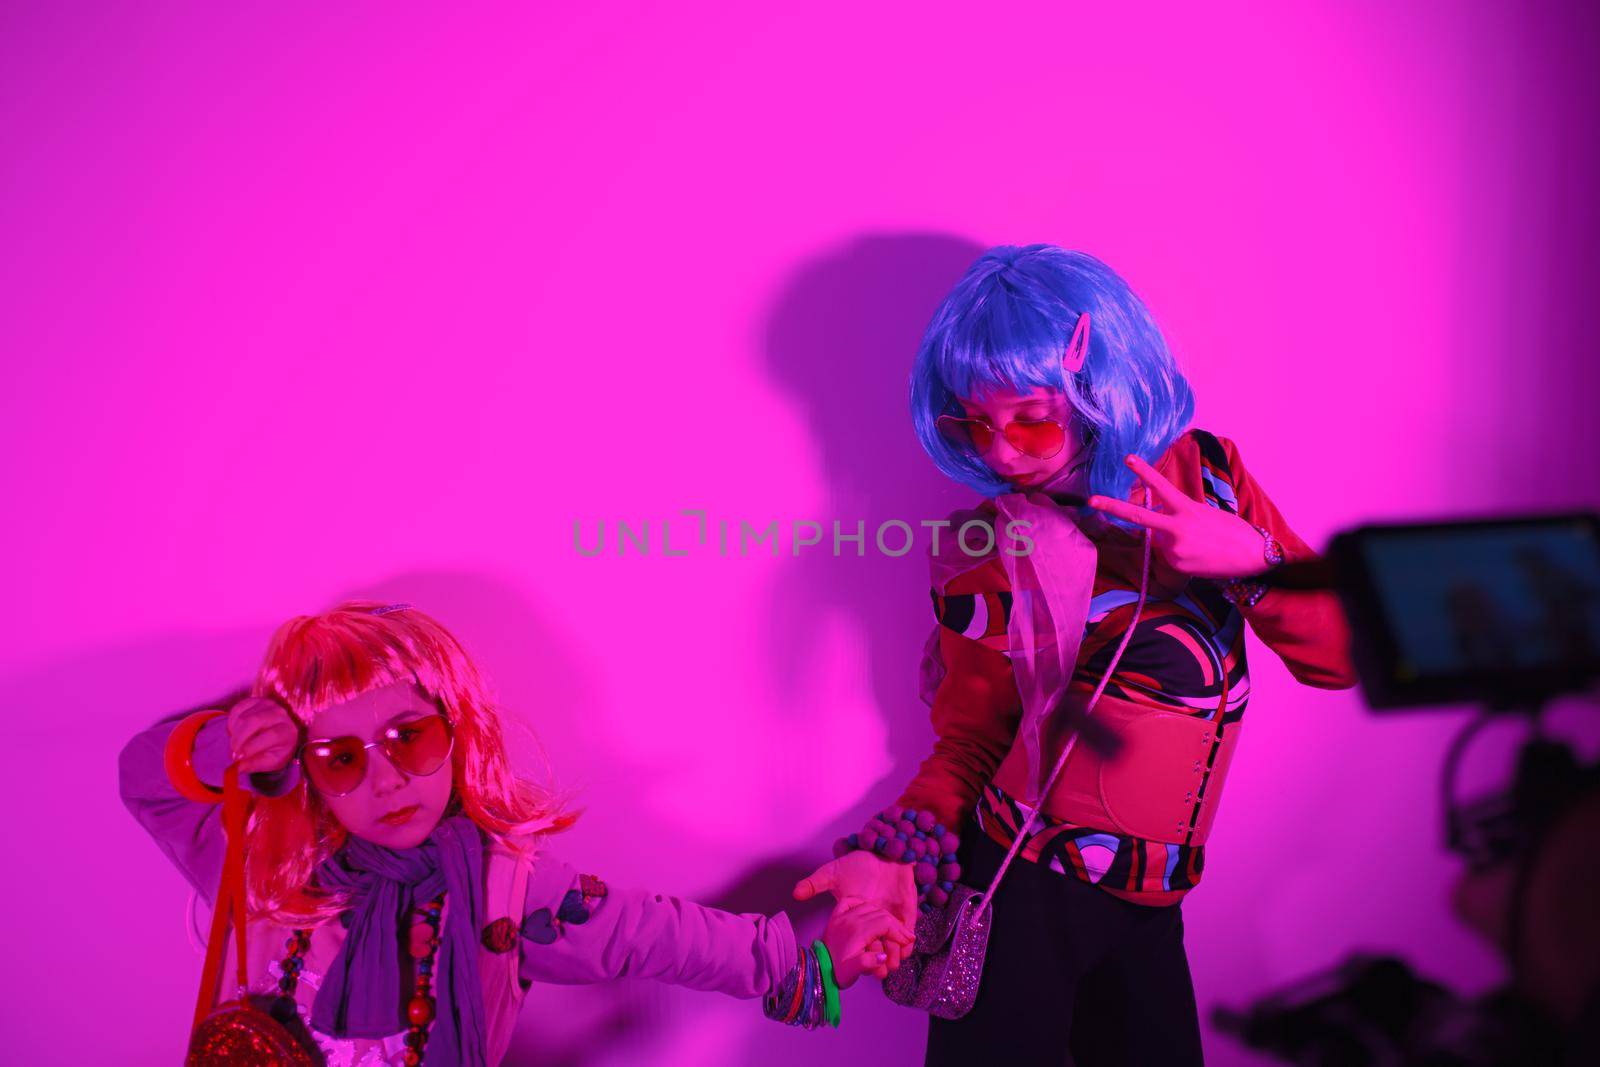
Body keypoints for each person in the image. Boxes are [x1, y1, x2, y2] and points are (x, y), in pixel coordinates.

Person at [793, 244, 1357, 1065]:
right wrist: (891, 849)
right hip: (1021, 888)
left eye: (1029, 417)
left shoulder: (1211, 479)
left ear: (1101, 386)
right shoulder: (979, 546)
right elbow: (972, 740)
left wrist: (1254, 566)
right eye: (971, 422)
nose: (1000, 452)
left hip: (1153, 899)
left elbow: (1340, 656)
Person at [121, 601, 910, 1065]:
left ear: (456, 732)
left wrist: (804, 964)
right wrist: (225, 741)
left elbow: (652, 934)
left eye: (410, 738)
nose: (386, 778)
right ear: (305, 763)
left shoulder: (505, 886)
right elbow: (143, 780)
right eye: (341, 756)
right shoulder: (275, 860)